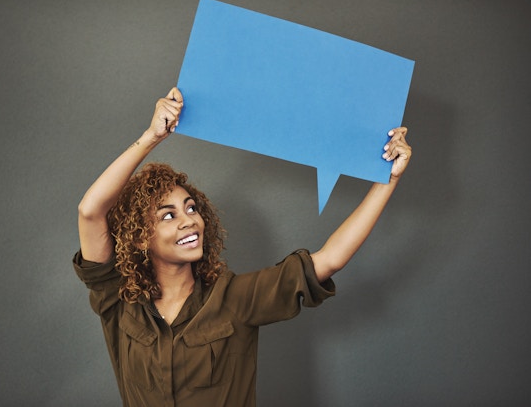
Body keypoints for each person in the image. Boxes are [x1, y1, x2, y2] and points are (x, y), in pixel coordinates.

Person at [73, 87, 412, 407]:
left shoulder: (234, 298)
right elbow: (90, 211)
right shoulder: (118, 299)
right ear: (139, 236)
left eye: (191, 208)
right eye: (168, 215)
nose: (189, 220)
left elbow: (330, 259)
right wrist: (152, 137)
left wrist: (389, 179)